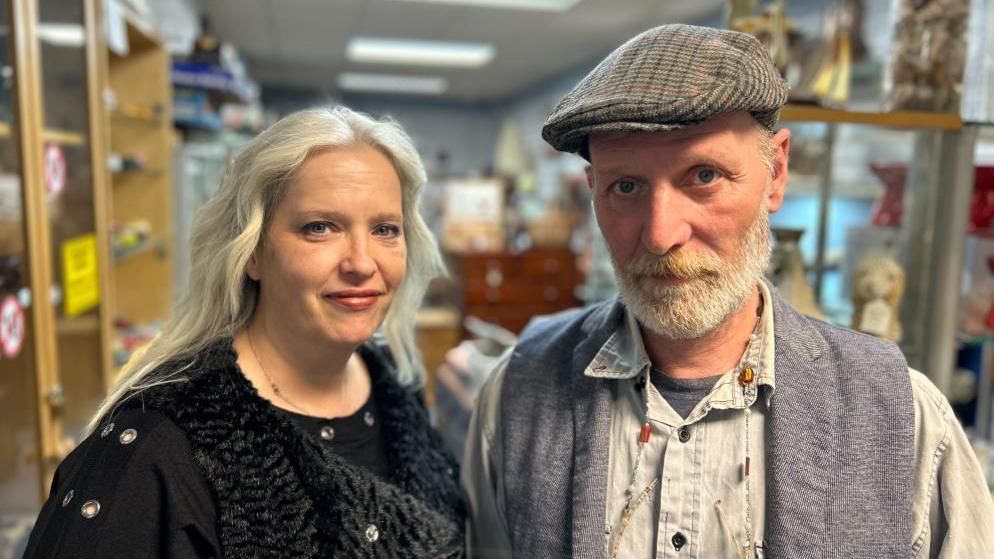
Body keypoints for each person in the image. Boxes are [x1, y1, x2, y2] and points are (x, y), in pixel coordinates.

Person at [462, 24, 994, 559]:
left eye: (704, 176)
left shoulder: (903, 417)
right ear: (593, 191)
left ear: (776, 173)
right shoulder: (518, 394)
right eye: (626, 187)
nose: (661, 234)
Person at [25, 107, 464, 558]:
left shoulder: (394, 385)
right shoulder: (158, 446)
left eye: (384, 229)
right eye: (320, 228)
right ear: (251, 251)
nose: (361, 262)